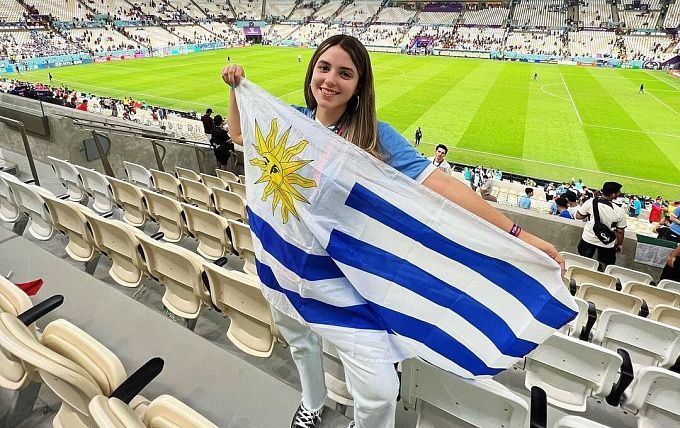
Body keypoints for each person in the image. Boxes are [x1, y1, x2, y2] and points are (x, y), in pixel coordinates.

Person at [222, 34, 564, 428]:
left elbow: (444, 186)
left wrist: (520, 234)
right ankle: (312, 402)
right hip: (282, 260)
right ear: (312, 71)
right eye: (324, 68)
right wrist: (236, 89)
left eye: (345, 73)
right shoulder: (291, 119)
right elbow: (240, 136)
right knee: (299, 342)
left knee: (380, 389)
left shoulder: (376, 137)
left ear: (359, 85)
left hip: (342, 278)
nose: (330, 80)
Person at [575, 182, 627, 269]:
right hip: (607, 243)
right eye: (618, 192)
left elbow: (578, 216)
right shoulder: (619, 211)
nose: (619, 193)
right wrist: (619, 244)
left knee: (583, 263)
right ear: (613, 194)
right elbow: (620, 231)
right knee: (606, 266)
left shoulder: (590, 202)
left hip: (588, 238)